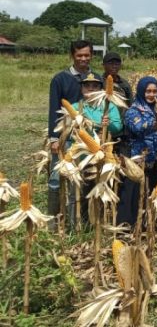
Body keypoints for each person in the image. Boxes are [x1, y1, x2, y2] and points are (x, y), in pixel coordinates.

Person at [47, 40, 94, 227]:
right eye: (79, 55)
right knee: (56, 178)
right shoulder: (60, 79)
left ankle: (76, 222)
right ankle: (53, 223)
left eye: (87, 55)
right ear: (72, 55)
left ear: (91, 56)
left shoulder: (94, 78)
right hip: (64, 135)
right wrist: (54, 138)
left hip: (86, 138)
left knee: (79, 180)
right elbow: (53, 109)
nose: (83, 58)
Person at [69, 73, 124, 225]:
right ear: (82, 89)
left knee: (100, 189)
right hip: (82, 155)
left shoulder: (109, 106)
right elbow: (67, 132)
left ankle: (99, 223)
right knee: (81, 191)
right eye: (87, 86)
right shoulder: (75, 108)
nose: (91, 89)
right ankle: (79, 225)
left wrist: (108, 124)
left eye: (95, 86)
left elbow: (118, 127)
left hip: (103, 155)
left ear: (101, 88)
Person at [119, 76, 157, 226]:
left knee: (150, 195)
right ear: (140, 91)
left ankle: (149, 226)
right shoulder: (133, 111)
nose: (152, 95)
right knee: (134, 196)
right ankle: (128, 227)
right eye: (148, 91)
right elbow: (139, 128)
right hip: (137, 161)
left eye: (155, 91)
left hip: (155, 161)